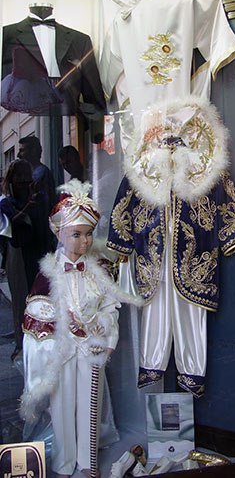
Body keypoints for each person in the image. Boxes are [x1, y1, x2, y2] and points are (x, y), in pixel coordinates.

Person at [20, 179, 143, 478]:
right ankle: (63, 460)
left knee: (91, 401)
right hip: (61, 349)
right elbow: (37, 314)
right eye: (76, 235)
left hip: (92, 344)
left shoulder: (97, 270)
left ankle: (87, 460)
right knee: (61, 404)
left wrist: (106, 335)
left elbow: (110, 305)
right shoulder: (46, 275)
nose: (84, 242)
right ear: (59, 234)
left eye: (88, 235)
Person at [0, 159, 53, 359]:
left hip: (40, 252)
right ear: (11, 179)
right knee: (22, 301)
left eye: (25, 175)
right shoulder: (6, 202)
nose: (22, 180)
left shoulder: (40, 197)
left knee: (43, 299)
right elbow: (8, 226)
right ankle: (22, 345)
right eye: (18, 176)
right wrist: (27, 208)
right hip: (19, 255)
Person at [18, 135, 58, 210]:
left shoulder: (42, 173)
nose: (18, 155)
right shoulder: (31, 173)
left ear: (33, 151)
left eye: (22, 150)